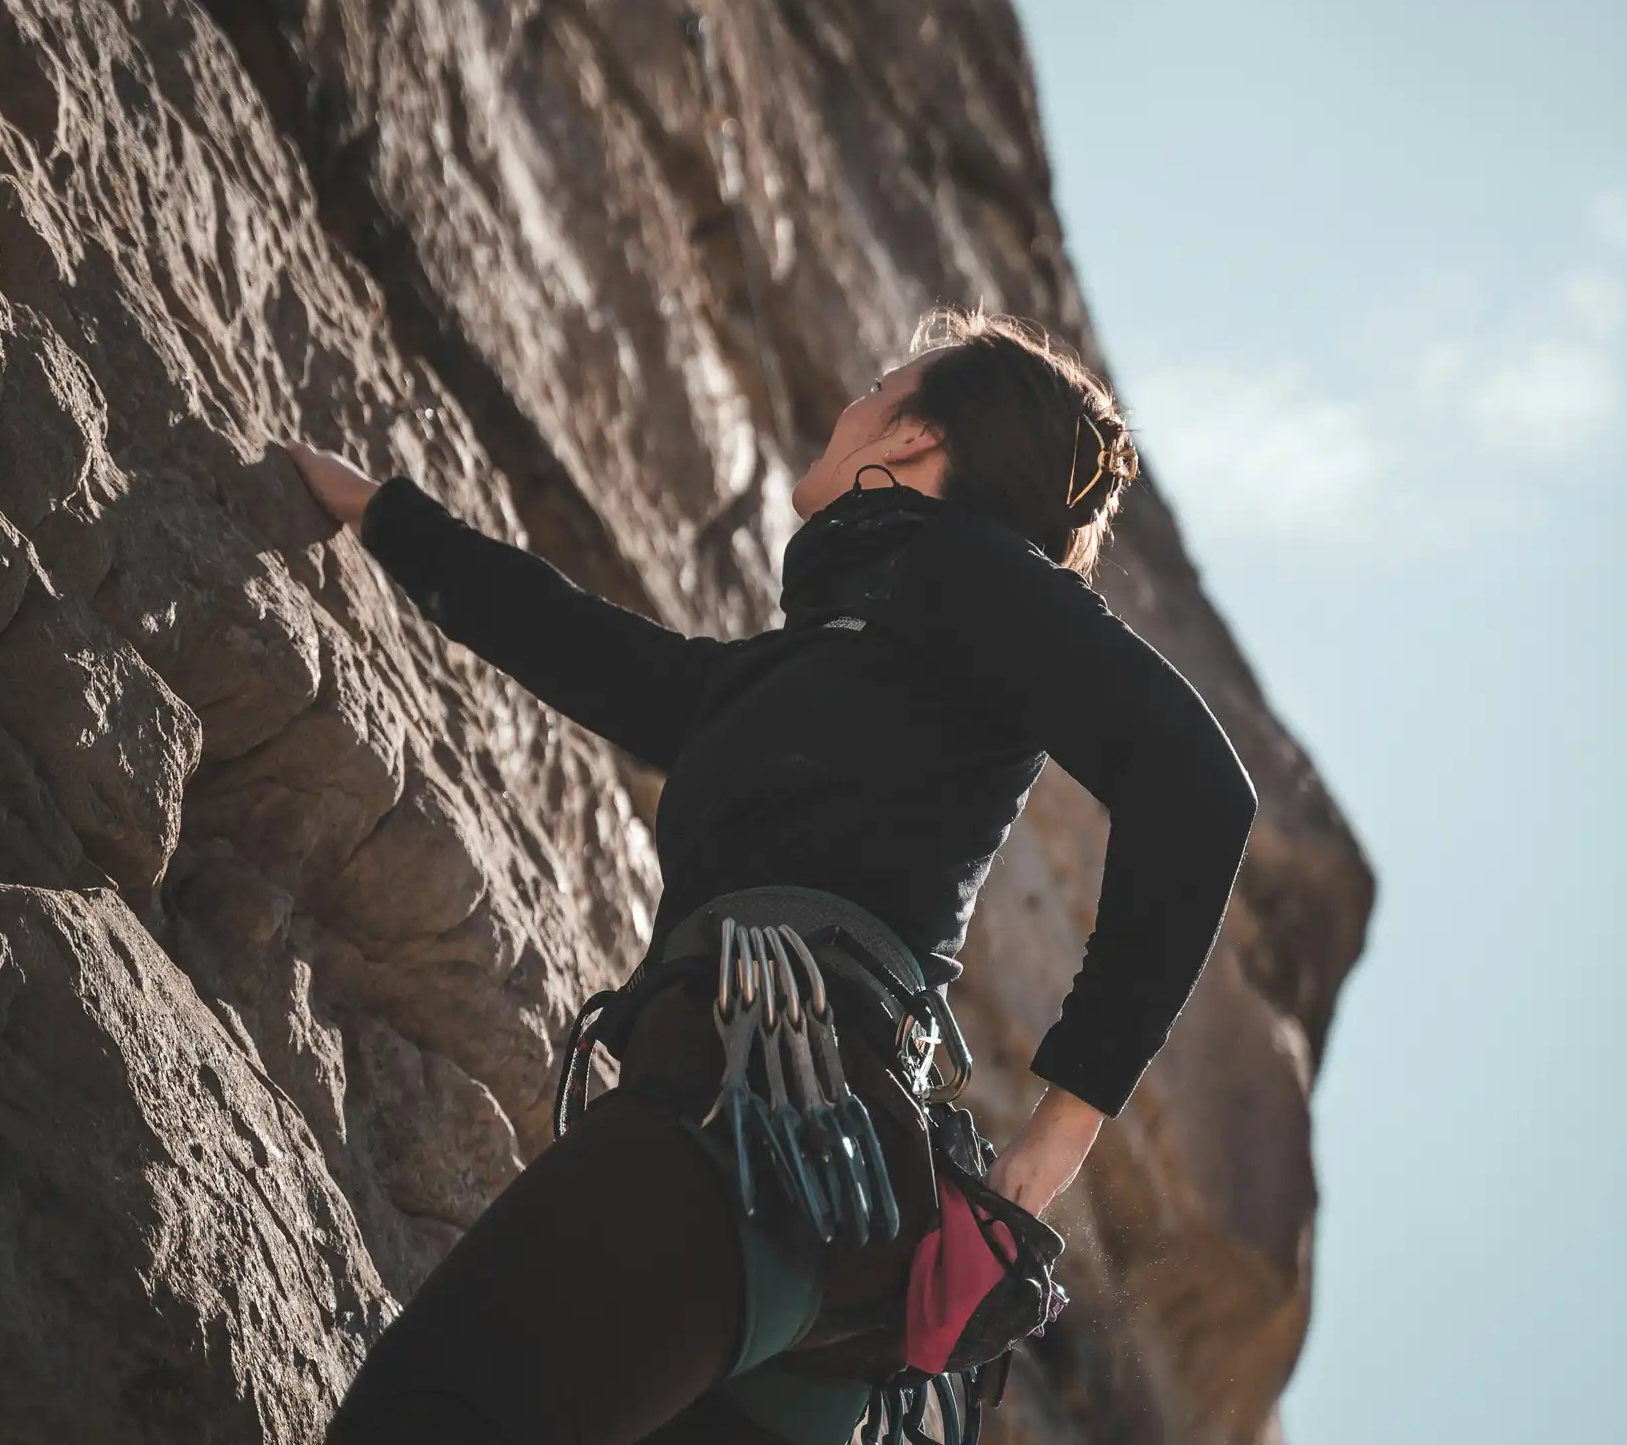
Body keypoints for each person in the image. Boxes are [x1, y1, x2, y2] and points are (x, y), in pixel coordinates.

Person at [287, 309, 1257, 1445]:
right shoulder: (812, 662)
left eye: (880, 386)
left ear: (912, 439)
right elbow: (584, 647)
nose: (852, 404)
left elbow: (1200, 790)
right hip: (824, 1254)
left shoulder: (956, 567)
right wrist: (382, 515)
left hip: (756, 1139)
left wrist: (1062, 1125)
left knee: (430, 1416)